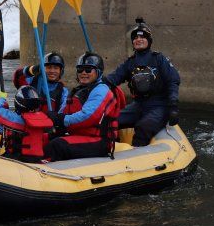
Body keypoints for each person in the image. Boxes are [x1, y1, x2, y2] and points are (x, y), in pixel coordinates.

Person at [106, 17, 180, 147]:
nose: (138, 40)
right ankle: (109, 150)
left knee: (143, 126)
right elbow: (113, 79)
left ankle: (136, 156)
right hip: (138, 105)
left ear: (149, 41)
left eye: (143, 37)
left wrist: (173, 105)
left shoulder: (159, 59)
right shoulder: (130, 63)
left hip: (159, 106)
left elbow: (173, 80)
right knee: (109, 120)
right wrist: (98, 81)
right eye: (135, 38)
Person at [43, 52, 125, 161]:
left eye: (88, 69)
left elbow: (88, 116)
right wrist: (54, 119)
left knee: (58, 145)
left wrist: (61, 119)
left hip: (99, 141)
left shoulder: (101, 90)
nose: (83, 73)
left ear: (98, 71)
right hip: (81, 135)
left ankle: (42, 169)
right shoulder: (80, 90)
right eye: (80, 70)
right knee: (46, 138)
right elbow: (64, 112)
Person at [0, 85, 53, 162]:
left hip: (18, 158)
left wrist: (1, 99)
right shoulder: (43, 118)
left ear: (18, 103)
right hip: (37, 158)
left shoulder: (17, 119)